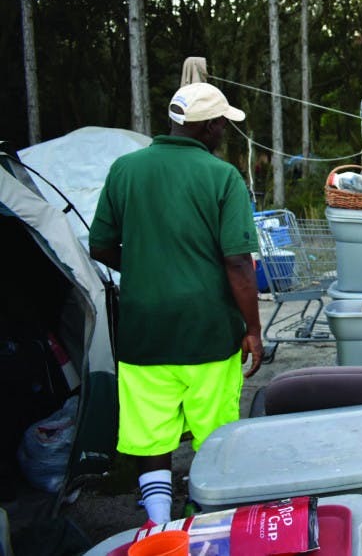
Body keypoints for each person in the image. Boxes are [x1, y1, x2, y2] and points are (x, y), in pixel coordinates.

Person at [89, 82, 263, 525]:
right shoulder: (222, 176)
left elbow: (100, 245)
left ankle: (158, 522)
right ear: (208, 127)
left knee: (151, 431)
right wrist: (253, 330)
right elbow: (238, 263)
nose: (223, 131)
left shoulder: (125, 169)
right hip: (209, 331)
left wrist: (145, 267)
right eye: (221, 124)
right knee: (214, 432)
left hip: (143, 331)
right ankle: (204, 512)